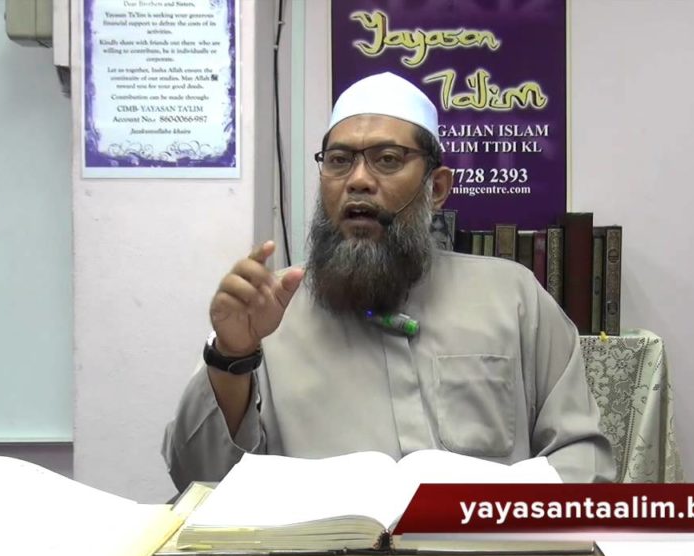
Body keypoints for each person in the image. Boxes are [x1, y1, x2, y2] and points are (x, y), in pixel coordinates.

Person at [162, 72, 615, 490]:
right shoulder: (268, 312)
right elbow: (199, 482)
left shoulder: (513, 297)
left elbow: (585, 459)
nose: (358, 180)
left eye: (388, 159)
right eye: (339, 161)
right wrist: (232, 356)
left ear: (437, 188)